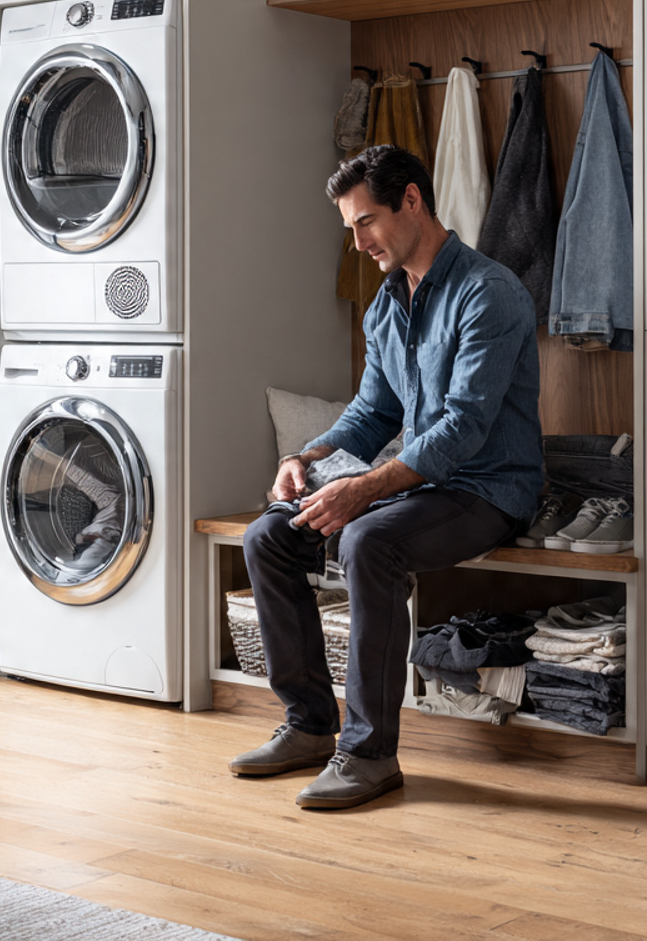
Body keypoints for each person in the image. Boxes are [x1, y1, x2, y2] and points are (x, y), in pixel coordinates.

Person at [230, 144, 544, 809]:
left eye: (365, 222)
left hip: (488, 489)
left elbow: (463, 428)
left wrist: (365, 489)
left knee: (368, 541)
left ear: (411, 200)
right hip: (421, 488)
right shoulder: (384, 307)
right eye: (349, 228)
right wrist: (308, 461)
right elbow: (373, 414)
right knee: (268, 536)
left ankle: (369, 753)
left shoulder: (489, 293)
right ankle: (311, 725)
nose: (358, 242)